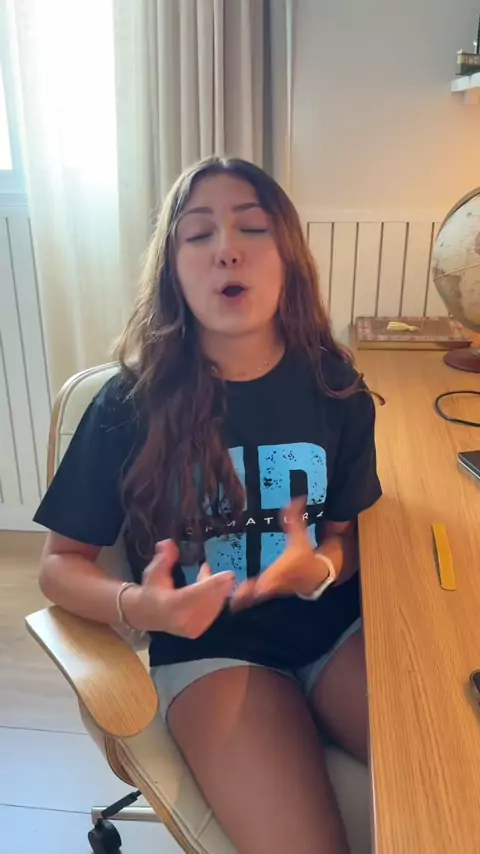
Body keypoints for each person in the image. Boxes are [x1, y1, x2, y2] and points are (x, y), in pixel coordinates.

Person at [34, 156, 382, 854]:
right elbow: (58, 567)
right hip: (213, 652)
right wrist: (143, 606)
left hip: (333, 635)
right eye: (198, 234)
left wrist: (319, 569)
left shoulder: (336, 386)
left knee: (446, 781)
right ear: (173, 269)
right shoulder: (129, 405)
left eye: (252, 228)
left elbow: (343, 539)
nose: (226, 248)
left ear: (287, 258)